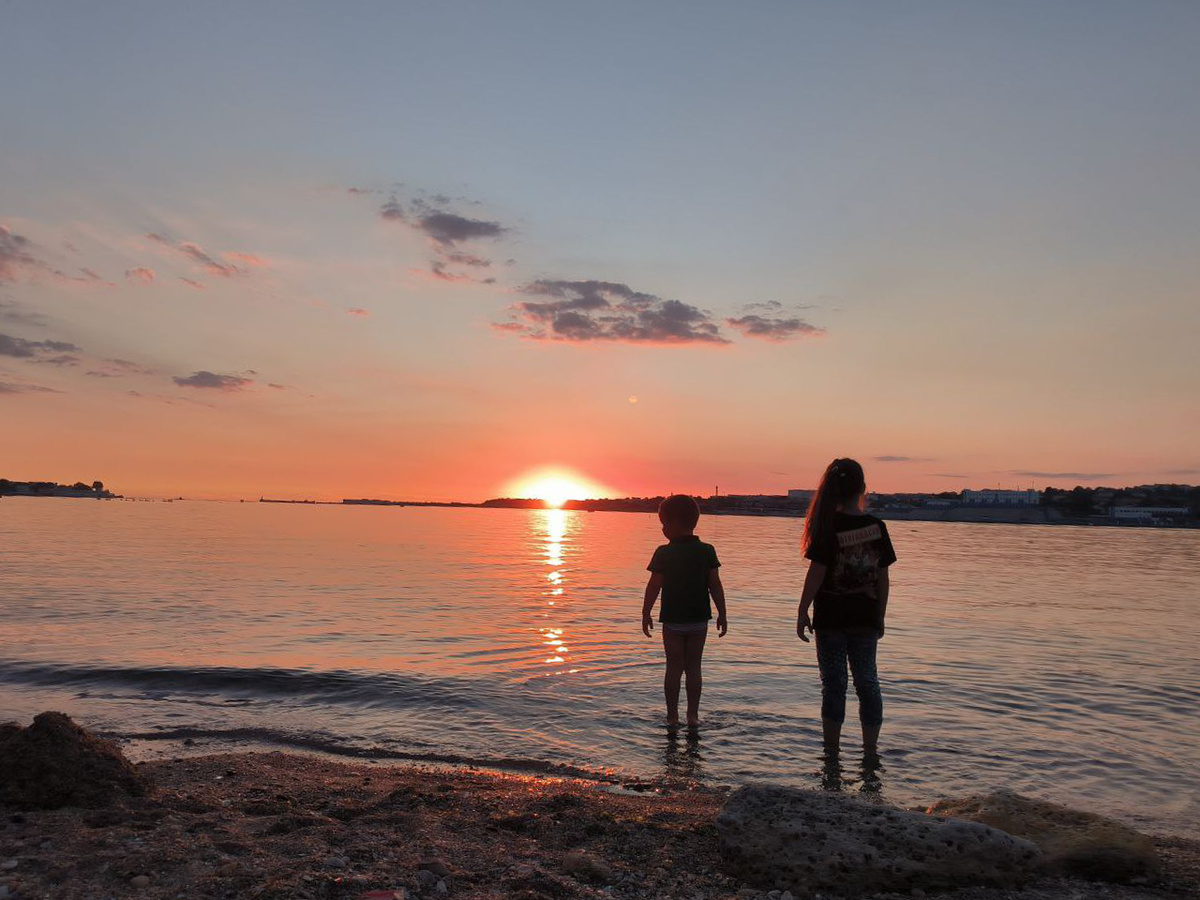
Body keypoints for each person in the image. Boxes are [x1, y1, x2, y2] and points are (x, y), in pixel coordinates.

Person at [796, 458, 896, 759]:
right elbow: (882, 578)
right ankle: (870, 751)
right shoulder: (876, 527)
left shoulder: (827, 526)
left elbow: (816, 573)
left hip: (830, 620)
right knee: (868, 682)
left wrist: (802, 610)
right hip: (865, 618)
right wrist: (880, 615)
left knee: (834, 685)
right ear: (863, 488)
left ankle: (832, 752)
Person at [641, 494, 728, 727]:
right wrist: (723, 613)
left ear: (675, 523)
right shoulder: (707, 551)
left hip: (672, 621)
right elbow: (715, 585)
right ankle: (693, 716)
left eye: (664, 523)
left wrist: (645, 612)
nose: (663, 528)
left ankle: (672, 716)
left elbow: (653, 586)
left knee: (673, 667)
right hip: (699, 620)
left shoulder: (663, 553)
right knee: (694, 668)